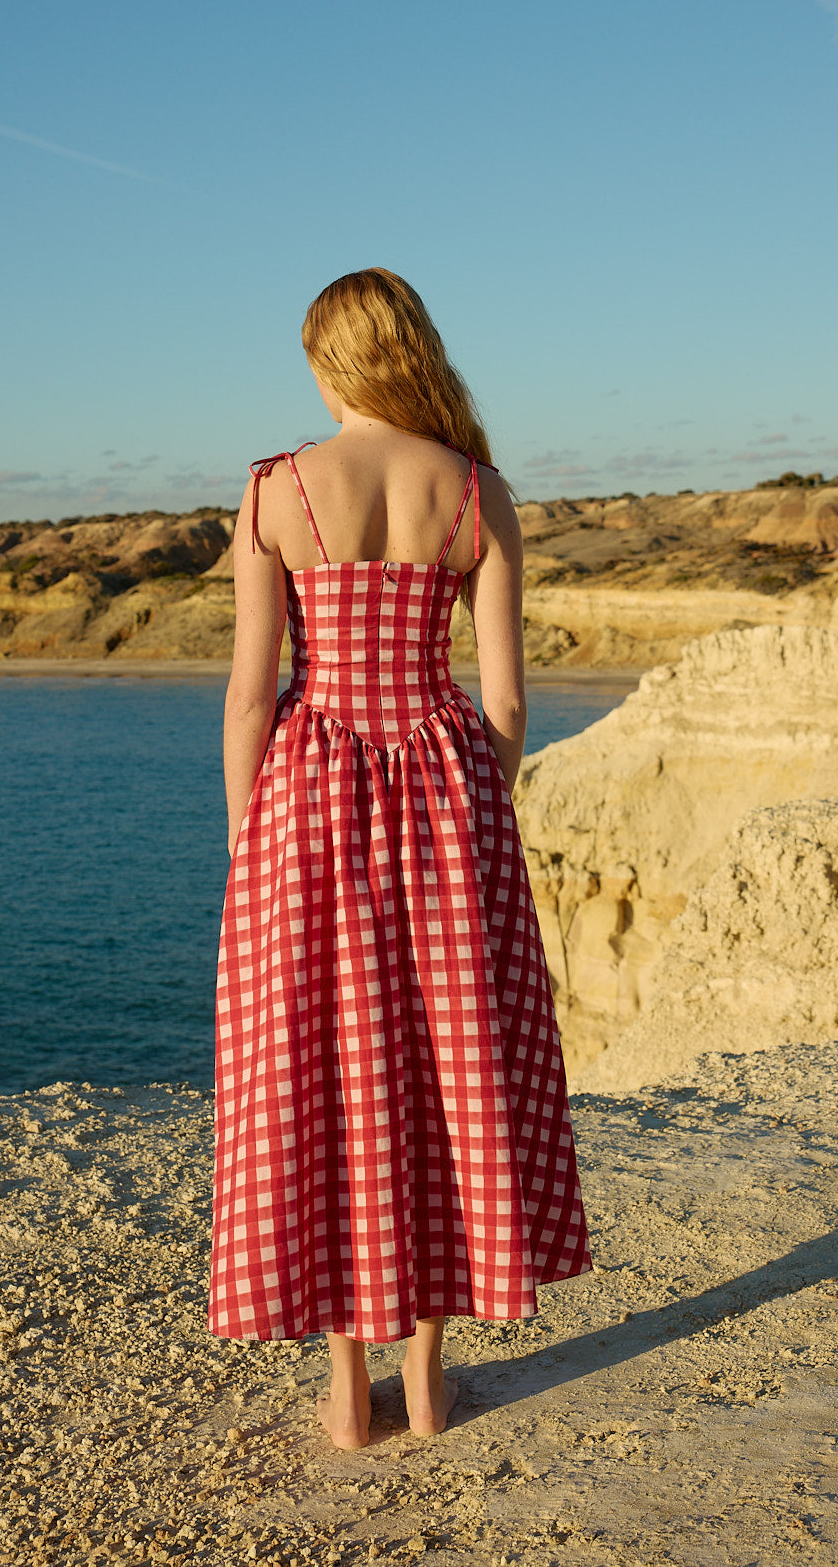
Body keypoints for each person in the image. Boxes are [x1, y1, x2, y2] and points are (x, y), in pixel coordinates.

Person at [210, 267, 590, 1449]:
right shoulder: (477, 491)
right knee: (447, 1065)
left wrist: (247, 838)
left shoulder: (278, 488)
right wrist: (476, 798)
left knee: (324, 1065)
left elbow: (249, 694)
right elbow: (510, 697)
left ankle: (346, 1384)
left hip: (312, 791)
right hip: (443, 782)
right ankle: (430, 1377)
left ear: (333, 363)